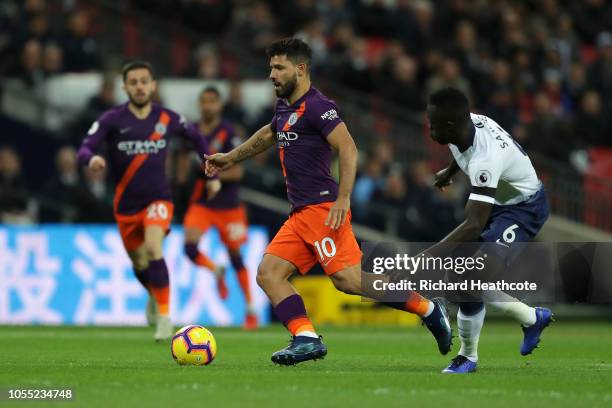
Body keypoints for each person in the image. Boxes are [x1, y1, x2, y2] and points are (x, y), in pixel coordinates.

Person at [205, 38, 451, 366]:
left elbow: (348, 148)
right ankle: (306, 337)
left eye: (279, 68)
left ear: (301, 69)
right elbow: (269, 133)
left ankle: (429, 309)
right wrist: (229, 158)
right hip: (300, 213)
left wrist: (343, 199)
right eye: (271, 68)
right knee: (268, 274)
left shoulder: (319, 106)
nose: (272, 75)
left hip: (322, 209)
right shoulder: (285, 106)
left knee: (348, 280)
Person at [77, 61, 220, 341]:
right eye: (134, 82)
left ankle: (165, 318)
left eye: (144, 81)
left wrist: (211, 173)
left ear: (153, 85)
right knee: (140, 262)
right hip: (126, 206)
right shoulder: (112, 119)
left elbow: (198, 140)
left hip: (159, 199)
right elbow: (85, 147)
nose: (140, 86)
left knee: (154, 247)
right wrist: (91, 158)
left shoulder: (168, 119)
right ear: (125, 87)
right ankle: (154, 294)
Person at [426, 87, 553, 373]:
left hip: (524, 209)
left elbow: (473, 224)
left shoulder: (486, 159)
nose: (429, 128)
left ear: (449, 125)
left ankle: (468, 357)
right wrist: (449, 172)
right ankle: (532, 318)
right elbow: (462, 151)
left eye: (433, 125)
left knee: (470, 276)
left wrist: (425, 257)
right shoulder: (462, 124)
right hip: (499, 201)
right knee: (464, 279)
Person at [183, 86, 258, 329]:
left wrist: (211, 174)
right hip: (202, 203)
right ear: (199, 104)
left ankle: (250, 309)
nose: (208, 106)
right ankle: (215, 270)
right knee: (189, 247)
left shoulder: (228, 133)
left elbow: (237, 171)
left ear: (219, 105)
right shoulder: (192, 131)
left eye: (212, 102)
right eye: (204, 101)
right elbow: (184, 164)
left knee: (236, 256)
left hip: (229, 206)